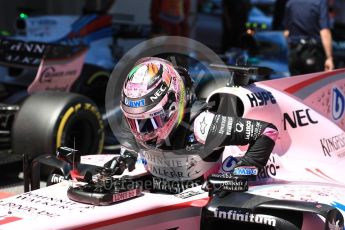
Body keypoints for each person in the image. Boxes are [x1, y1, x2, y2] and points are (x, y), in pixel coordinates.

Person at [118, 57, 278, 193]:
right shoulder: (135, 122)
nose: (142, 132)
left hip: (205, 192)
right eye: (135, 121)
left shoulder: (203, 126)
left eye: (151, 121)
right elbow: (130, 138)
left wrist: (238, 176)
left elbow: (267, 131)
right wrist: (127, 157)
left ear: (171, 107)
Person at [283, 0, 334, 76]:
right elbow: (324, 32)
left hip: (294, 53)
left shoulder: (290, 3)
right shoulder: (320, 2)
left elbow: (286, 33)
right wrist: (329, 58)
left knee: (296, 86)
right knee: (315, 85)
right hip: (313, 52)